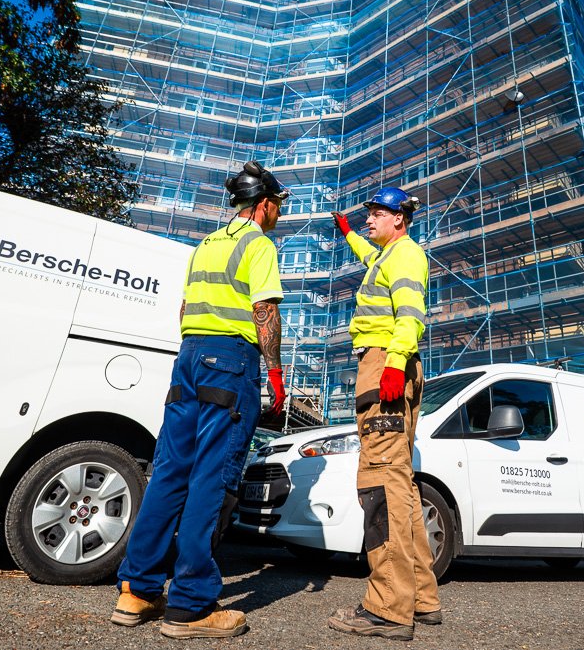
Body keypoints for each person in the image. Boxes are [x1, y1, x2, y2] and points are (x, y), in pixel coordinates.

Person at [111, 160, 288, 640]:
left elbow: (185, 308)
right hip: (230, 360)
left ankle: (138, 590)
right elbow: (264, 309)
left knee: (170, 471)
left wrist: (196, 351)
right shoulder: (258, 243)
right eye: (278, 208)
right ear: (264, 204)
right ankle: (191, 606)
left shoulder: (205, 245)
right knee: (211, 477)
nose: (278, 217)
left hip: (188, 358)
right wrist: (273, 371)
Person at [327, 186, 440, 642]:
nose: (369, 219)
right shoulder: (387, 255)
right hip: (387, 361)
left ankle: (388, 609)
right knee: (402, 486)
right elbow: (369, 256)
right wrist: (349, 233)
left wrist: (393, 363)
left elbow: (410, 314)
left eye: (376, 214)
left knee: (380, 482)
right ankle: (422, 599)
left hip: (384, 363)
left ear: (400, 218)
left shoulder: (407, 256)